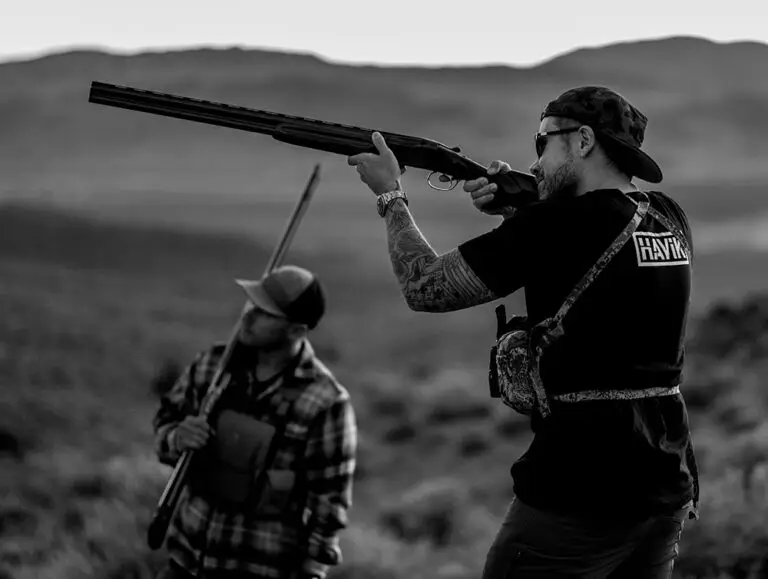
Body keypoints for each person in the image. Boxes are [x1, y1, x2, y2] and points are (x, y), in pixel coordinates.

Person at [347, 86, 699, 578]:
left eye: (542, 142)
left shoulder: (556, 225)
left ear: (582, 141)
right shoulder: (667, 215)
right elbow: (592, 266)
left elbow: (424, 287)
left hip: (579, 489)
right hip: (665, 484)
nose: (534, 163)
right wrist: (518, 211)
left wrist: (390, 194)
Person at [152, 265, 357, 579]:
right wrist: (176, 438)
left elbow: (329, 504)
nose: (248, 316)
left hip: (260, 568)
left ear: (296, 331)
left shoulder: (325, 402)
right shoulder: (212, 366)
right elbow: (165, 421)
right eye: (252, 304)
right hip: (186, 561)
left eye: (265, 312)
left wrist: (312, 572)